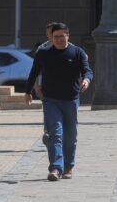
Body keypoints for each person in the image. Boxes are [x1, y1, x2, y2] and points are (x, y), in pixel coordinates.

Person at [24, 23, 93, 181]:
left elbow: (87, 70)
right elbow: (33, 73)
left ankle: (68, 166)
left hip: (71, 100)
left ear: (68, 36)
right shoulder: (43, 53)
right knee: (55, 133)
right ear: (51, 38)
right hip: (51, 100)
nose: (59, 39)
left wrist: (86, 80)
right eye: (56, 37)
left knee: (70, 136)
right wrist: (27, 92)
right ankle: (56, 167)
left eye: (62, 36)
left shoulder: (77, 52)